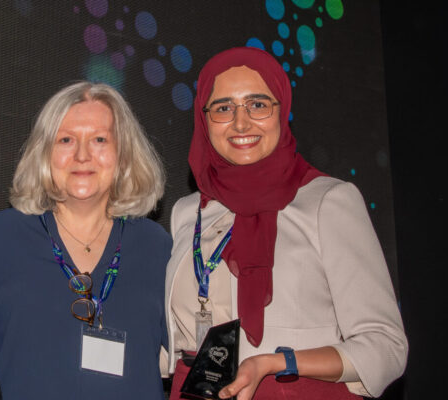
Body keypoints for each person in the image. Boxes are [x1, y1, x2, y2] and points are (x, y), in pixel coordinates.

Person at [162, 47, 407, 400]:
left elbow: (386, 348)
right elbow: (174, 338)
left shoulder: (329, 201)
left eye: (258, 104)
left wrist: (279, 363)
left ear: (282, 110)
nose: (241, 122)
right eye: (223, 107)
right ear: (204, 118)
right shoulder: (188, 212)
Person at [0, 82, 169, 399]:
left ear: (123, 155)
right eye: (66, 140)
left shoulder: (157, 246)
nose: (82, 155)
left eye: (99, 140)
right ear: (44, 152)